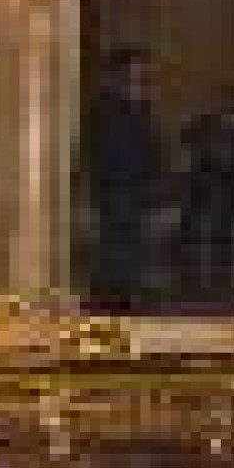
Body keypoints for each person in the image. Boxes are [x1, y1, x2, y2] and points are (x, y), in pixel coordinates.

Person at [80, 47, 163, 314]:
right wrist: (87, 205)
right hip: (111, 199)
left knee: (129, 273)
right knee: (111, 274)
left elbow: (151, 155)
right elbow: (89, 159)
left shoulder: (142, 109)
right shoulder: (102, 111)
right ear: (118, 76)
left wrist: (158, 198)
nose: (142, 80)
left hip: (136, 198)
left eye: (145, 75)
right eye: (136, 73)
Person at [174, 85, 234, 307]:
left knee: (222, 234)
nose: (230, 107)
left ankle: (218, 278)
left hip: (228, 187)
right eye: (227, 102)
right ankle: (190, 277)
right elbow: (186, 138)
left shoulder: (217, 124)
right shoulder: (206, 120)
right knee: (193, 230)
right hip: (204, 185)